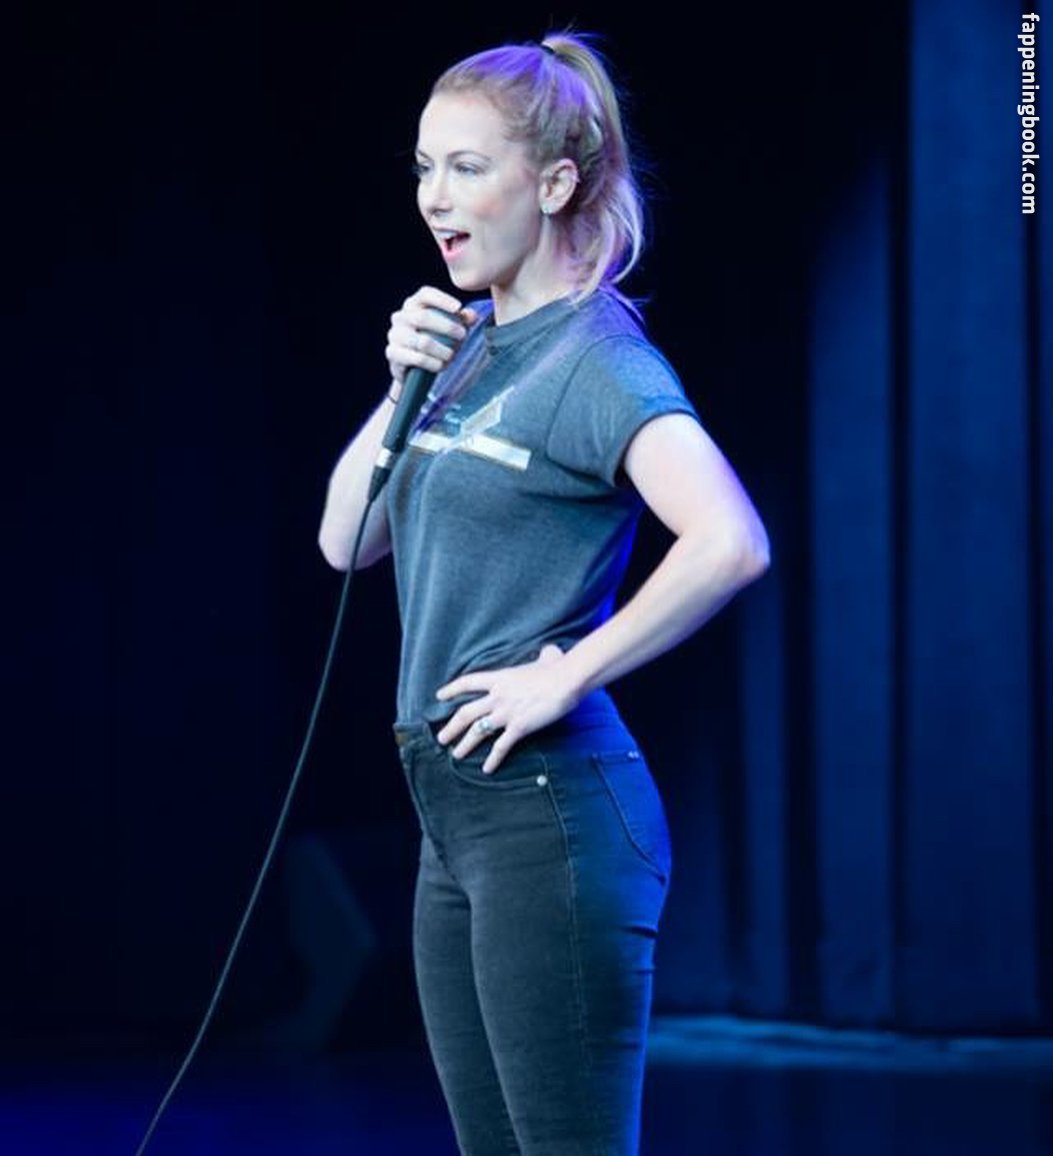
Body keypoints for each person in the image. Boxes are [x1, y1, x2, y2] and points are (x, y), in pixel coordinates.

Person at [317, 31, 769, 1156]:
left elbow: (729, 540)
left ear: (556, 182)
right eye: (424, 167)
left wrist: (564, 673)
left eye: (467, 168)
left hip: (548, 816)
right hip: (452, 818)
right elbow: (343, 542)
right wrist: (402, 383)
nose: (434, 197)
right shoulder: (471, 346)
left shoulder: (598, 360)